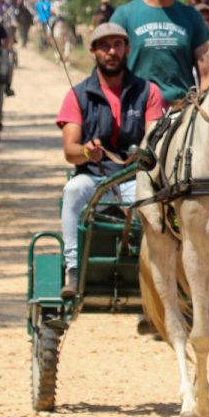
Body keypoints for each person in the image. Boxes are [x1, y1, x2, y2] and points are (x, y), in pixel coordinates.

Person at [56, 23, 165, 298]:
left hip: (135, 178)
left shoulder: (148, 92)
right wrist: (87, 152)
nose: (111, 52)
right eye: (104, 46)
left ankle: (162, 275)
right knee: (72, 190)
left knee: (162, 204)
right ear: (93, 51)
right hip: (94, 178)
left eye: (117, 45)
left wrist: (142, 154)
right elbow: (70, 150)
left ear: (127, 49)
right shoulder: (77, 95)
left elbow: (154, 138)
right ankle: (73, 269)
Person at [110, 0, 209, 106]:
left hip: (181, 111)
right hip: (136, 110)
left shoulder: (192, 17)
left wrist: (201, 108)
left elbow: (207, 73)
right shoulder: (124, 15)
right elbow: (108, 69)